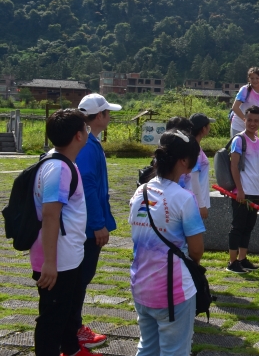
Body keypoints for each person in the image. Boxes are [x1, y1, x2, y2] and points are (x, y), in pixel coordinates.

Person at [129, 129, 204, 356]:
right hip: (173, 291)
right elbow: (196, 250)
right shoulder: (184, 198)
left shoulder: (140, 191)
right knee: (175, 351)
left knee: (147, 348)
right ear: (184, 162)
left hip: (141, 285)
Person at [32, 109, 93, 356]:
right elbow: (50, 214)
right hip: (57, 258)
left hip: (69, 255)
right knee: (52, 319)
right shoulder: (59, 169)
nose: (88, 132)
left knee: (68, 311)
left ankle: (71, 350)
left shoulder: (60, 161)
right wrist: (49, 262)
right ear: (78, 135)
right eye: (86, 128)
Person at [73, 94, 122, 350]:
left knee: (81, 278)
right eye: (107, 112)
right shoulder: (88, 146)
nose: (109, 116)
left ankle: (73, 327)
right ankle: (73, 329)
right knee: (80, 278)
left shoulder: (89, 141)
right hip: (87, 228)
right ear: (100, 116)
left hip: (85, 225)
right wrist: (98, 224)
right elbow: (88, 186)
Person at [227, 106, 259, 274]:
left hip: (254, 191)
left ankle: (243, 259)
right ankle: (232, 262)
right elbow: (233, 165)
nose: (252, 123)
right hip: (241, 191)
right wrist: (239, 190)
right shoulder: (239, 140)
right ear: (244, 120)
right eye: (249, 120)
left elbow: (257, 168)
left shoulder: (257, 141)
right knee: (238, 227)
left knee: (248, 227)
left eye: (256, 120)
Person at [187, 113, 213, 219]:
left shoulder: (193, 146)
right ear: (203, 129)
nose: (209, 128)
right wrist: (201, 204)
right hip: (195, 202)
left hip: (194, 199)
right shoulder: (195, 150)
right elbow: (194, 178)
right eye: (208, 125)